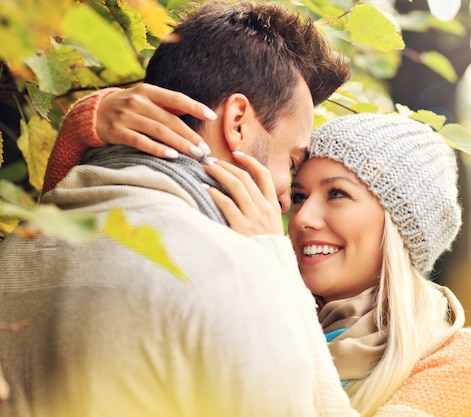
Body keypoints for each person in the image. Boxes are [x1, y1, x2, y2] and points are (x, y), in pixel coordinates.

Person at [0, 1, 357, 417]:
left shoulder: (18, 248)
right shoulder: (231, 274)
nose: (283, 201)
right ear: (237, 122)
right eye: (291, 163)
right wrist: (276, 273)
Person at [44, 96, 471, 415]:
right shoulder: (244, 302)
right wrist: (89, 121)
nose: (302, 218)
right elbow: (69, 253)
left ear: (400, 228)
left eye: (339, 194)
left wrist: (276, 272)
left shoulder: (463, 358)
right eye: (301, 195)